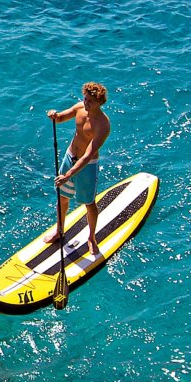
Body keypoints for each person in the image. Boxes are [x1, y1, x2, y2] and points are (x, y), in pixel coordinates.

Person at [48, 82, 112, 257]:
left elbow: (88, 155)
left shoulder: (103, 125)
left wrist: (67, 175)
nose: (86, 103)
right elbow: (60, 118)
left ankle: (92, 238)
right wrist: (54, 115)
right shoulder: (79, 108)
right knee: (62, 197)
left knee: (89, 203)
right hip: (70, 158)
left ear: (100, 102)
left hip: (87, 166)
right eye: (85, 99)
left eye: (91, 101)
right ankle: (59, 230)